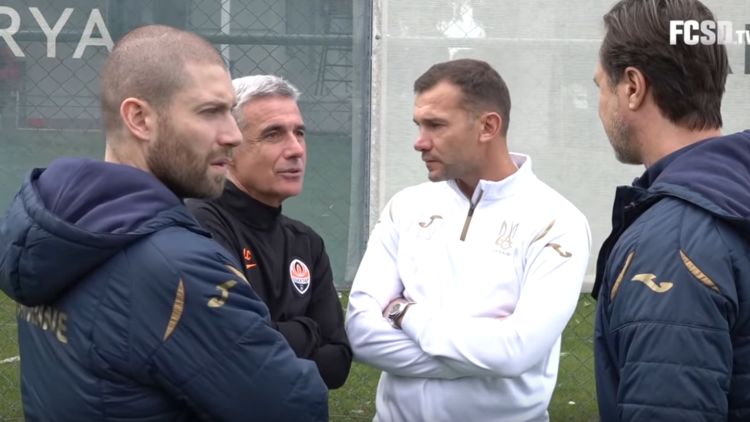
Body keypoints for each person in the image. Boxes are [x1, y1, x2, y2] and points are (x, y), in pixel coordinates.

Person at [0, 25, 327, 421]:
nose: (233, 135)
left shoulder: (60, 224)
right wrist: (308, 336)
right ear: (139, 118)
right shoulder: (177, 264)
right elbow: (293, 406)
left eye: (230, 111)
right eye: (210, 112)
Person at [345, 58, 591, 421]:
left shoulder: (557, 221)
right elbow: (362, 335)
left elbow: (514, 352)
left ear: (488, 126)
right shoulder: (406, 206)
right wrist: (481, 357)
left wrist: (404, 313)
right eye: (418, 125)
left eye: (435, 125)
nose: (419, 142)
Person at [591, 0, 750, 420]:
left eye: (600, 87)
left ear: (632, 87)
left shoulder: (672, 243)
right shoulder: (736, 190)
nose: (600, 105)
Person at [187, 74, 352, 389]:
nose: (295, 149)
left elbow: (337, 364)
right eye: (273, 134)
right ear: (228, 146)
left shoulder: (307, 243)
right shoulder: (199, 224)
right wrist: (309, 330)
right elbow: (232, 351)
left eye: (299, 133)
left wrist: (271, 333)